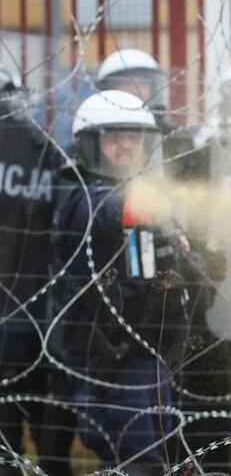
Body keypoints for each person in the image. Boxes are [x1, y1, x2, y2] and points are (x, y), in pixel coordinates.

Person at [51, 90, 211, 475]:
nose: (125, 146)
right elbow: (106, 212)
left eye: (133, 138)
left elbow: (182, 276)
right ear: (92, 145)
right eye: (113, 137)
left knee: (166, 463)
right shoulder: (85, 199)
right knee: (141, 466)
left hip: (159, 357)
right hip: (116, 362)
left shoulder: (149, 201)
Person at [0, 64, 73, 475]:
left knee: (6, 422)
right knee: (49, 416)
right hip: (44, 310)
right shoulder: (44, 147)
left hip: (13, 310)